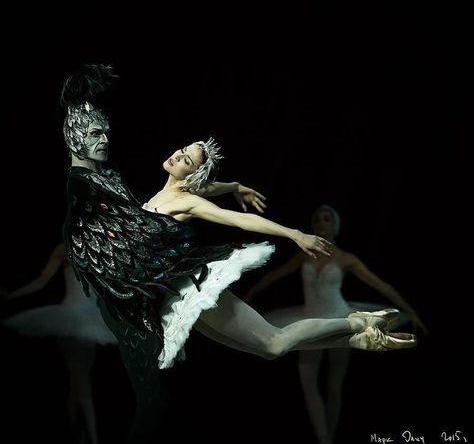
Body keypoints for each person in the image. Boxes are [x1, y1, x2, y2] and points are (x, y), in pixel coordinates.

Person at [61, 64, 416, 439]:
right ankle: (358, 336)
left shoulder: (186, 200)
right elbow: (210, 188)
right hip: (182, 299)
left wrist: (294, 233)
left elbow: (237, 220)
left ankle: (357, 322)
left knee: (276, 342)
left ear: (189, 177)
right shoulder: (166, 194)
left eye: (186, 160)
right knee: (268, 350)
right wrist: (236, 184)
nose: (178, 155)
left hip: (195, 290)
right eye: (182, 150)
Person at [243, 204, 428, 444]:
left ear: (335, 225)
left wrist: (411, 311)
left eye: (326, 218)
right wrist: (250, 295)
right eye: (317, 219)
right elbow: (272, 275)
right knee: (308, 381)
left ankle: (330, 436)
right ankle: (324, 438)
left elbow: (382, 286)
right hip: (307, 319)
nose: (321, 222)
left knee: (334, 383)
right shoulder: (304, 254)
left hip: (341, 319)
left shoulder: (345, 259)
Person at [2, 242, 117, 444]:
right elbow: (42, 280)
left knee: (77, 387)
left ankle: (78, 437)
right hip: (70, 320)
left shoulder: (100, 245)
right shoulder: (65, 247)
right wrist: (12, 295)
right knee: (82, 386)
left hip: (92, 323)